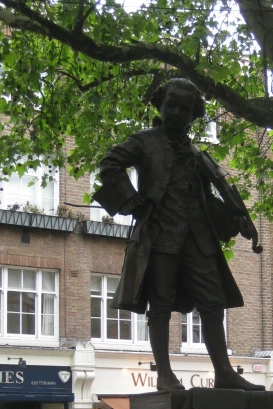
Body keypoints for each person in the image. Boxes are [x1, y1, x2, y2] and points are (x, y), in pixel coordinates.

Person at [94, 78, 264, 392]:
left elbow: (209, 199)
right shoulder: (145, 141)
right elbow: (110, 164)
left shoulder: (198, 154)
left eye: (184, 109)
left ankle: (224, 372)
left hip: (198, 238)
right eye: (171, 105)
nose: (175, 112)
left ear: (193, 114)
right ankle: (164, 375)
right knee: (160, 303)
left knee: (213, 302)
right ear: (160, 105)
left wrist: (233, 219)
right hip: (159, 237)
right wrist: (130, 199)